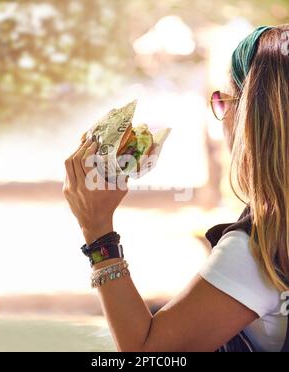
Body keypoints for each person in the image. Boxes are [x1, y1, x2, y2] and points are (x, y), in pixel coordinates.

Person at [63, 24, 289, 352]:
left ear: (253, 117)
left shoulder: (260, 252)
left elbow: (147, 354)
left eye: (223, 101)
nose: (220, 117)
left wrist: (97, 232)